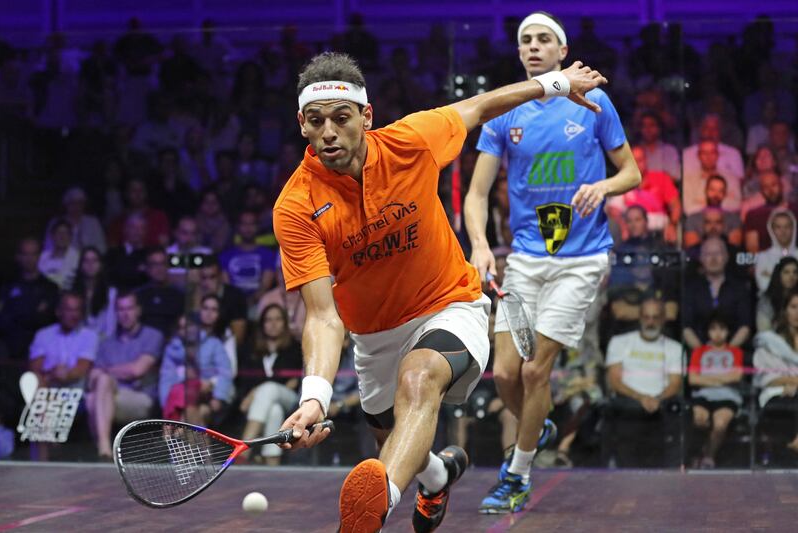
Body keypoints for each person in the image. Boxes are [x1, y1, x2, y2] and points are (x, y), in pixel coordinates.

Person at [273, 49, 607, 533]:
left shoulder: (412, 140)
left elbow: (478, 106)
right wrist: (314, 398)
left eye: (341, 118)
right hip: (373, 337)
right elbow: (323, 316)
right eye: (316, 120)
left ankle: (375, 508)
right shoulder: (296, 206)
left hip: (449, 304)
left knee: (419, 380)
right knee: (402, 440)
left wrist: (554, 83)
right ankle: (437, 476)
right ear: (301, 124)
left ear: (366, 117)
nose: (329, 133)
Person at [462, 12, 639, 513]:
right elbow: (476, 195)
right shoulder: (505, 111)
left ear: (562, 53)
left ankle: (517, 475)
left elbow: (631, 172)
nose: (534, 47)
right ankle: (539, 425)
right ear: (520, 54)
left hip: (581, 259)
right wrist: (479, 245)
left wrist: (601, 186)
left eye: (544, 40)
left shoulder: (594, 102)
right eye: (526, 41)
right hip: (524, 259)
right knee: (504, 376)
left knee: (537, 371)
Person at [605, 297, 682, 467]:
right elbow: (614, 381)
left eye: (655, 317)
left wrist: (657, 399)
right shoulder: (619, 342)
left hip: (661, 404)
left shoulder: (675, 347)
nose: (650, 322)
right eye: (646, 317)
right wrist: (641, 398)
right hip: (628, 403)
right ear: (640, 318)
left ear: (663, 319)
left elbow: (675, 384)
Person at [86, 291, 163, 459]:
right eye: (121, 309)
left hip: (139, 397)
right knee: (96, 392)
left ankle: (103, 448)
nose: (125, 314)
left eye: (129, 308)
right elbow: (92, 377)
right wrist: (110, 374)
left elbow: (137, 370)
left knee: (98, 392)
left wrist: (107, 370)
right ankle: (105, 448)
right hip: (109, 397)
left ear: (138, 310)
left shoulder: (152, 335)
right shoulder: (107, 342)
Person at [239, 304, 303, 464]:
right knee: (274, 410)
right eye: (268, 320)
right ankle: (272, 464)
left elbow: (294, 382)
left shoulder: (295, 348)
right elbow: (244, 381)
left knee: (268, 390)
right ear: (262, 324)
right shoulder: (251, 349)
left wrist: (256, 391)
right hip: (262, 404)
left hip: (290, 400)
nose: (273, 324)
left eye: (278, 319)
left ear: (285, 323)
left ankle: (243, 451)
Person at [688, 314, 744, 468]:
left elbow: (736, 376)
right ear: (707, 332)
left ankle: (708, 457)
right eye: (713, 329)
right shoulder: (699, 352)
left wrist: (708, 378)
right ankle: (697, 452)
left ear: (728, 331)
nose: (718, 333)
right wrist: (722, 379)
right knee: (699, 419)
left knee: (720, 424)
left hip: (728, 397)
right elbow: (693, 379)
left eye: (722, 329)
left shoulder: (735, 352)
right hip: (703, 395)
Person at [159, 314, 232, 426]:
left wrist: (219, 397)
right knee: (191, 414)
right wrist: (168, 406)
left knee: (189, 416)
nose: (186, 331)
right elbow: (166, 380)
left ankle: (173, 434)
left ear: (197, 326)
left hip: (209, 395)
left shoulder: (213, 344)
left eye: (189, 326)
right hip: (181, 399)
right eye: (182, 327)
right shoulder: (172, 349)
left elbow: (225, 372)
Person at [0, 238, 60, 360]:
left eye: (33, 254)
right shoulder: (8, 286)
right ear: (18, 257)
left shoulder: (50, 288)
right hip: (10, 346)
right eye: (25, 254)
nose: (29, 258)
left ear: (39, 256)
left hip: (40, 349)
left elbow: (47, 321)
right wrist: (32, 314)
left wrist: (20, 315)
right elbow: (2, 319)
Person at [753, 290, 798, 456]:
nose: (797, 313)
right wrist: (790, 383)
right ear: (785, 311)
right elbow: (764, 378)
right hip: (776, 397)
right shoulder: (769, 342)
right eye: (793, 307)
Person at [29, 292, 98, 389]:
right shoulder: (43, 335)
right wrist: (54, 374)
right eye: (69, 310)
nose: (74, 315)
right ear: (58, 312)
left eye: (77, 310)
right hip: (46, 385)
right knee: (33, 380)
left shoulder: (89, 335)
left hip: (75, 389)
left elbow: (82, 368)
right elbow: (35, 368)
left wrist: (64, 374)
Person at [71, 246, 117, 340]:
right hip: (76, 341)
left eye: (94, 260)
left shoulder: (111, 293)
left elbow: (110, 328)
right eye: (86, 261)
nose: (90, 264)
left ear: (100, 265)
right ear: (81, 265)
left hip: (102, 342)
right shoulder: (73, 292)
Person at [754, 210, 798, 294]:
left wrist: (771, 274)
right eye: (778, 227)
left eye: (787, 226)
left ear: (793, 228)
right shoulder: (764, 257)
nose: (783, 231)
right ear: (772, 230)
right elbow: (764, 285)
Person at [757, 257, 798, 332]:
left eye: (795, 272)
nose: (792, 276)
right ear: (778, 275)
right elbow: (763, 331)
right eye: (786, 272)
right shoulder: (767, 299)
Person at [38, 218, 80, 290]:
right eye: (59, 233)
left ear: (71, 237)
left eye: (66, 233)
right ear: (52, 236)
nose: (62, 236)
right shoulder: (41, 258)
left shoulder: (78, 258)